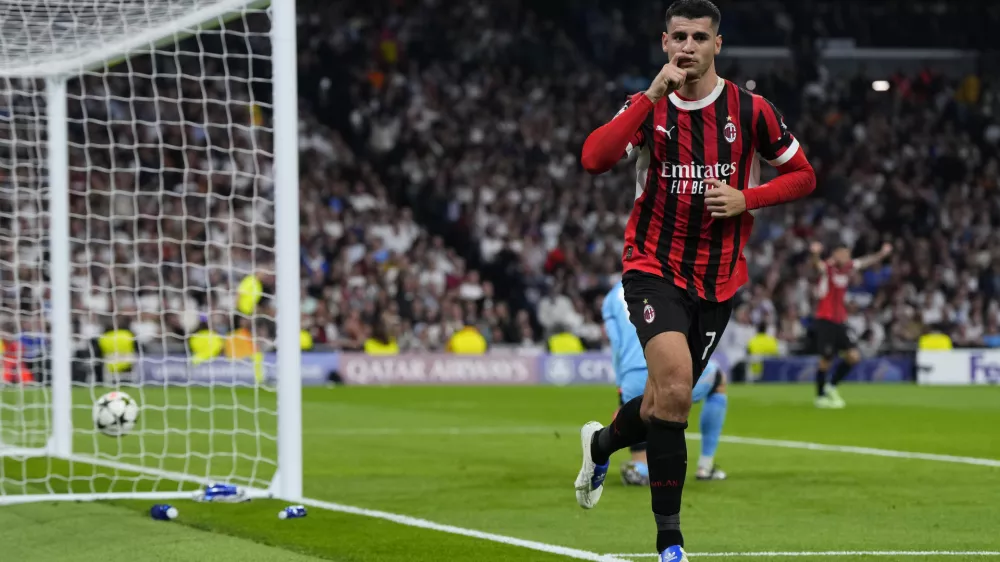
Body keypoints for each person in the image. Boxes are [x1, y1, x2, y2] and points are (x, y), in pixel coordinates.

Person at [577, 1, 816, 559]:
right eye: (678, 37)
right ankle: (671, 543)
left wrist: (748, 198)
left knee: (666, 401)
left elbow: (805, 175)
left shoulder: (751, 110)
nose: (687, 47)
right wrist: (648, 95)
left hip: (719, 279)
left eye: (698, 37)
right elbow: (594, 159)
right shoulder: (648, 108)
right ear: (664, 43)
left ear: (717, 44)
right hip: (652, 267)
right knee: (678, 391)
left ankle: (602, 442)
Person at [603, 283, 729, 487]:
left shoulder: (610, 299)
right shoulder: (666, 283)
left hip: (632, 378)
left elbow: (616, 343)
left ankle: (640, 467)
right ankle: (705, 466)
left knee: (639, 412)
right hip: (669, 371)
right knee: (718, 381)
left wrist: (621, 388)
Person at [809, 241, 892, 408]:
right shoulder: (827, 268)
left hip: (839, 320)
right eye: (844, 254)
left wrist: (881, 254)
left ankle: (831, 386)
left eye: (848, 254)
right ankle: (819, 397)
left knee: (854, 356)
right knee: (826, 360)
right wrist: (815, 253)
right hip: (825, 319)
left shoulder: (847, 267)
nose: (847, 257)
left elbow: (865, 261)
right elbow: (816, 265)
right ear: (835, 253)